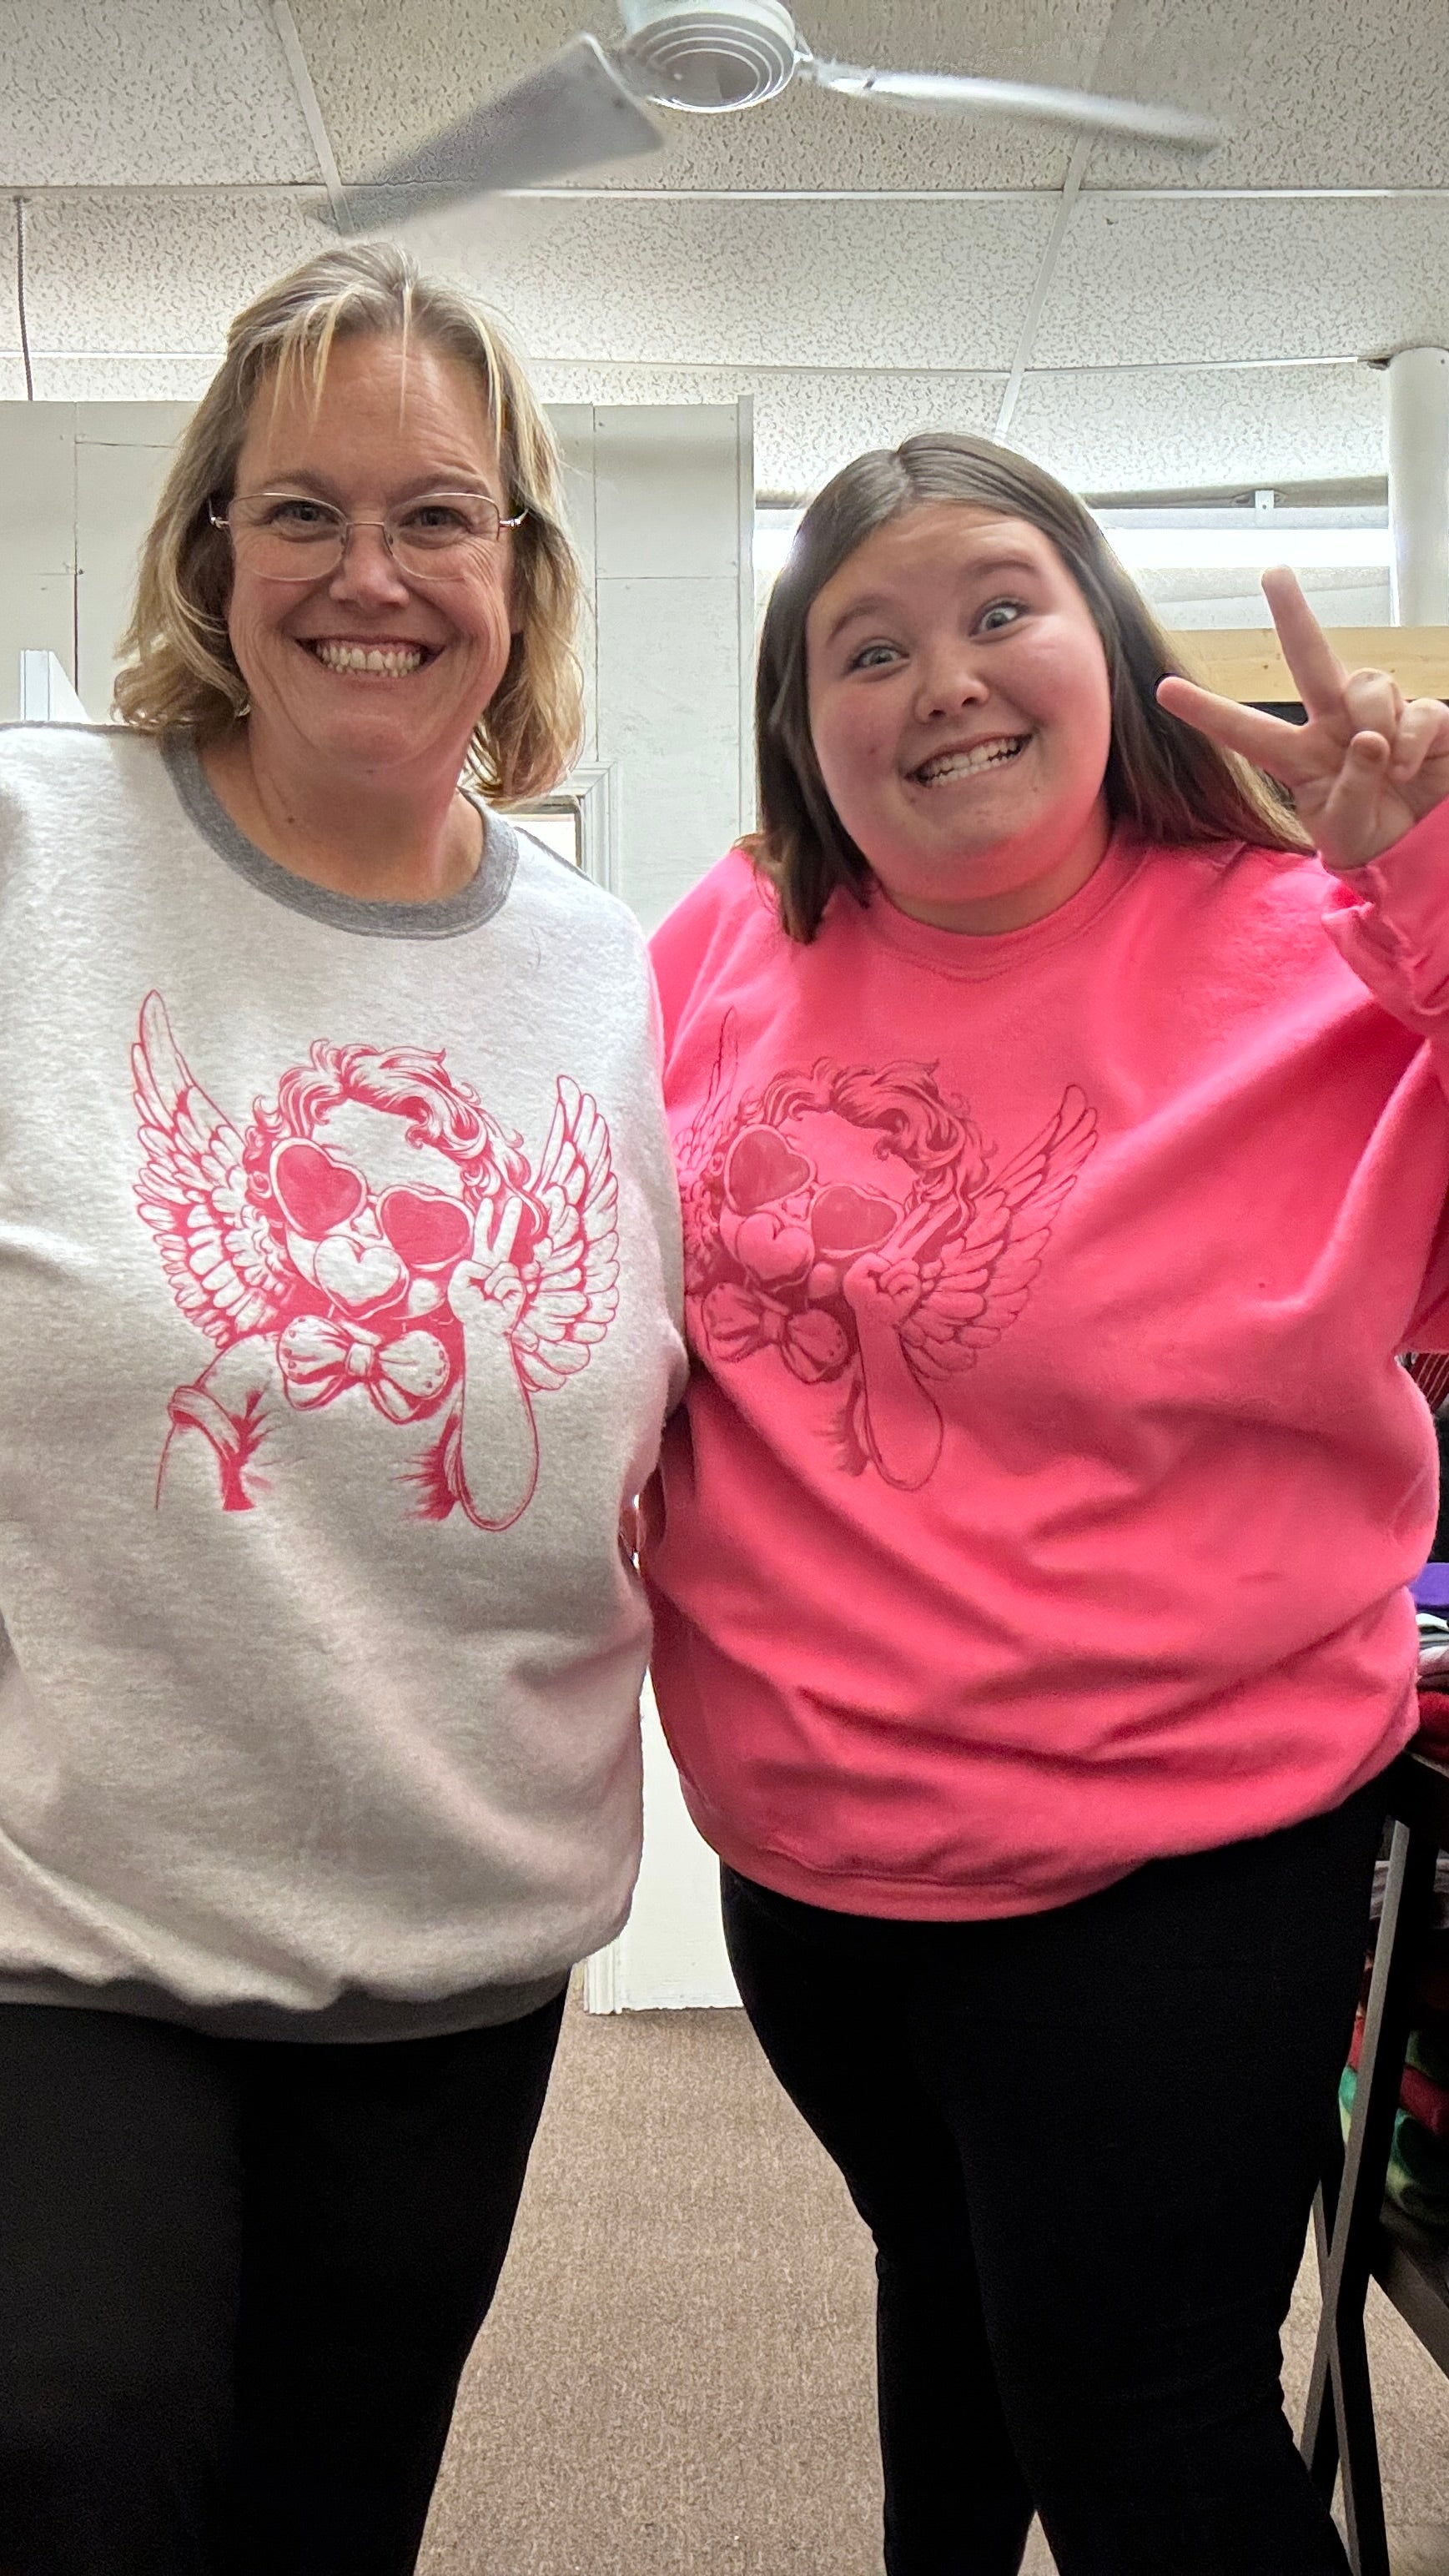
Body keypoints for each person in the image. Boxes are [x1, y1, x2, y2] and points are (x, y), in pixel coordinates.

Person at [641, 429, 1449, 2575]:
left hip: (1166, 1857)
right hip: (815, 1867)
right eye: (864, 648)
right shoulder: (735, 930)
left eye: (999, 608)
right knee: (956, 2293)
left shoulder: (1313, 942)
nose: (946, 680)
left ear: (1099, 637)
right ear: (800, 726)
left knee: (1145, 2433)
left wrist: (1430, 874)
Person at [0, 240, 685, 2574]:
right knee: (73, 2456)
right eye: (298, 510)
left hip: (452, 1944)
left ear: (521, 574)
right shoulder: (34, 849)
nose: (367, 576)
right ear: (208, 551)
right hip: (64, 1922)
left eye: (438, 516)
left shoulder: (604, 975)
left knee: (324, 2514)